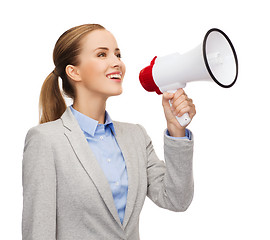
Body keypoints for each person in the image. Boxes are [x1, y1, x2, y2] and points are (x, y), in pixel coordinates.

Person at [22, 23, 196, 240]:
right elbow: (39, 231)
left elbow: (177, 200)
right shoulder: (46, 140)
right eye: (102, 54)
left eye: (118, 54)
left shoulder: (136, 137)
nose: (117, 63)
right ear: (73, 72)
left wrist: (177, 132)